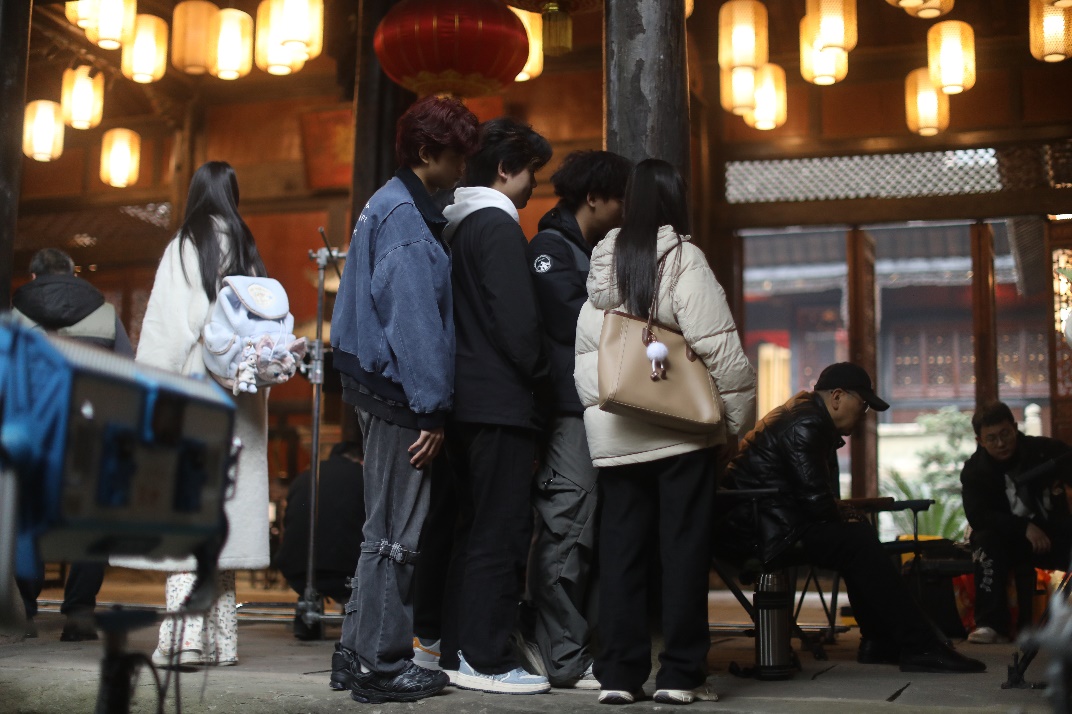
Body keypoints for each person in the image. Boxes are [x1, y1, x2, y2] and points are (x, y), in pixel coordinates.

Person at [573, 158, 757, 706]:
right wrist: (735, 421)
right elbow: (718, 346)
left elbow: (587, 354)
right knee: (683, 553)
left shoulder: (602, 263)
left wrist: (600, 417)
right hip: (681, 432)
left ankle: (618, 675)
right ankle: (679, 674)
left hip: (618, 435)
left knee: (621, 554)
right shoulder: (683, 258)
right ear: (676, 201)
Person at [329, 95, 479, 704]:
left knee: (380, 529)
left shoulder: (386, 202)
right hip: (398, 392)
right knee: (397, 533)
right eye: (457, 156)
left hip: (374, 383)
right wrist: (431, 409)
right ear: (426, 153)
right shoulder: (406, 219)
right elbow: (414, 324)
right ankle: (384, 665)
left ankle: (355, 653)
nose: (463, 168)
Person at [717, 362, 986, 675]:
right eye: (863, 404)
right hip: (757, 531)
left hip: (765, 523)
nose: (865, 414)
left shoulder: (806, 414)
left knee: (857, 535)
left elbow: (813, 497)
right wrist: (842, 513)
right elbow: (817, 503)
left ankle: (880, 641)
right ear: (837, 397)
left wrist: (843, 513)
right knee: (857, 540)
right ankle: (920, 646)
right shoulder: (806, 422)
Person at [111, 161, 272, 668]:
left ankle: (184, 640)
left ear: (196, 194)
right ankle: (223, 643)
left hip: (192, 400)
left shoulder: (186, 246)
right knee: (224, 525)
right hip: (240, 402)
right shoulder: (247, 248)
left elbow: (165, 333)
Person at [435, 117, 553, 695]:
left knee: (471, 531)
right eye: (531, 173)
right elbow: (519, 326)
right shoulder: (498, 226)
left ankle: (459, 650)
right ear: (505, 170)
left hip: (463, 401)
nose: (534, 186)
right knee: (500, 533)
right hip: (501, 402)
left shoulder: (456, 227)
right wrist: (545, 379)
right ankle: (485, 657)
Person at [520, 150, 633, 689]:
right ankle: (562, 657)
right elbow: (574, 323)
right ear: (593, 198)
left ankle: (575, 649)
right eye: (621, 199)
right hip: (568, 414)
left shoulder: (589, 251)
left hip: (595, 410)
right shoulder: (550, 249)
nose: (626, 210)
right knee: (566, 532)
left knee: (589, 534)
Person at [10, 247, 134, 642]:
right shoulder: (105, 315)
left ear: (33, 277)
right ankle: (79, 615)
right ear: (73, 273)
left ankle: (25, 611)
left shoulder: (14, 316)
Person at [960, 401, 1072, 644]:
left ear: (1015, 427)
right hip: (1007, 541)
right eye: (992, 439)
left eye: (1005, 434)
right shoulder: (975, 471)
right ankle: (991, 624)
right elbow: (978, 516)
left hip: (1054, 534)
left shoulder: (1046, 452)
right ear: (979, 440)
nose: (1001, 443)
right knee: (984, 540)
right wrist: (1024, 528)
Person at [274, 440, 364, 640]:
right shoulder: (364, 475)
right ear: (360, 458)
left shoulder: (305, 476)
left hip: (298, 571)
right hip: (348, 571)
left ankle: (307, 613)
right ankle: (356, 616)